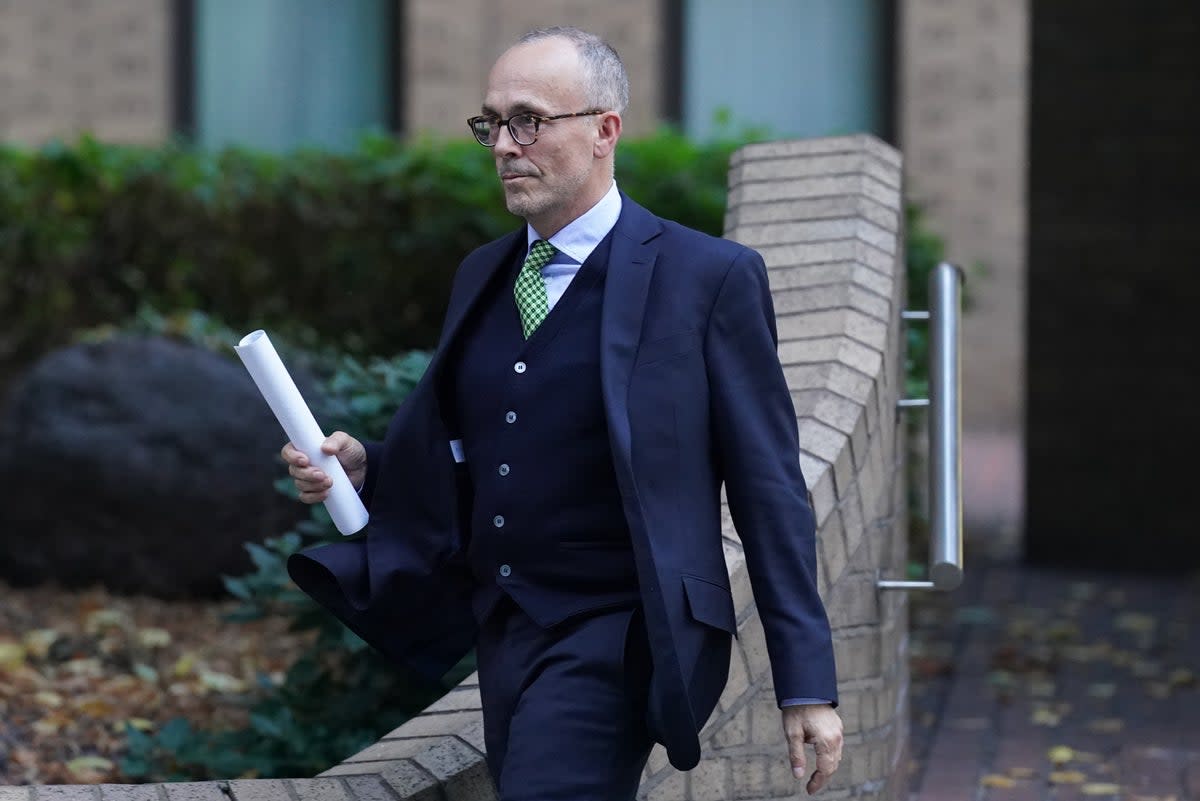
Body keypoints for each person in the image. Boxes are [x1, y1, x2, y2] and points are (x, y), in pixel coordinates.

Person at [281, 26, 843, 801]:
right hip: (505, 627)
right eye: (491, 124)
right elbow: (484, 440)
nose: (504, 146)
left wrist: (805, 682)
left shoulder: (707, 278)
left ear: (605, 130)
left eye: (529, 121)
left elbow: (769, 488)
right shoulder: (485, 272)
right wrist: (368, 466)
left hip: (621, 628)